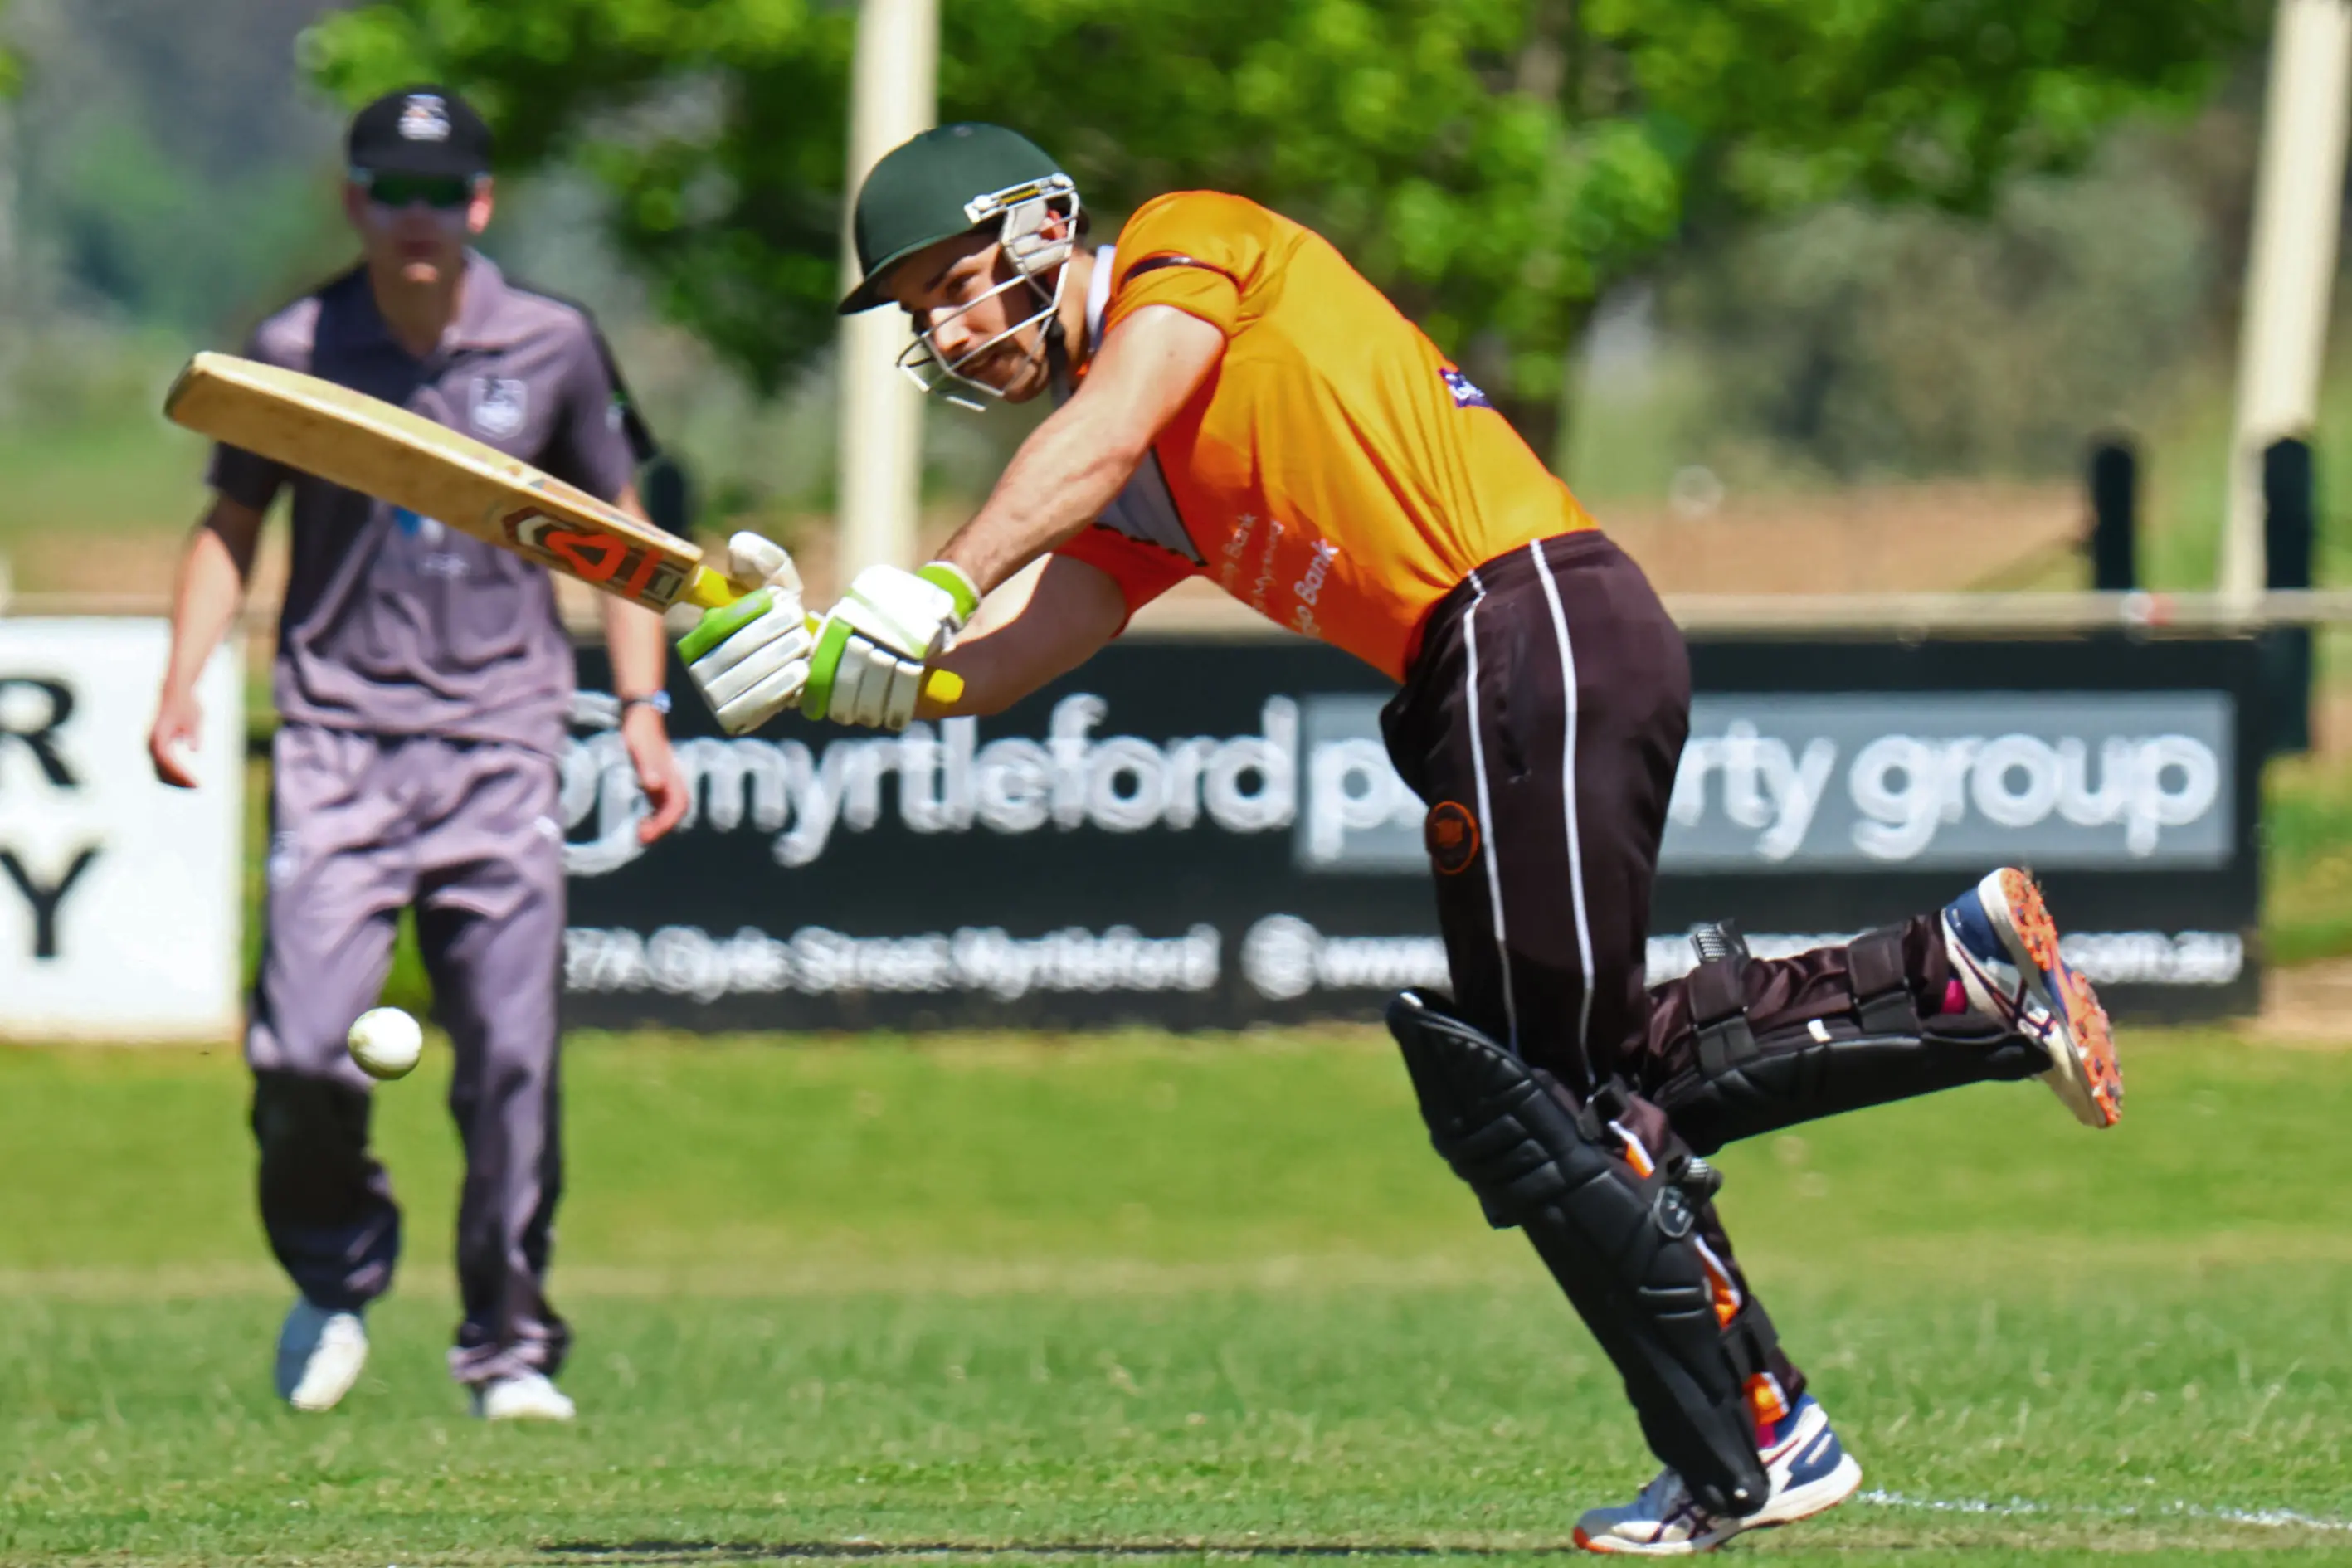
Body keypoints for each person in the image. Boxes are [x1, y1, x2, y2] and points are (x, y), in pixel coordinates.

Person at [677, 124, 2124, 1553]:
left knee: (1542, 1105)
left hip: (1524, 627)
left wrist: (932, 576)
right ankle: (1948, 984)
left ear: (1039, 229)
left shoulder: (1192, 246)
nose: (941, 326)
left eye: (948, 281)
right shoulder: (1132, 486)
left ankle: (1752, 1437)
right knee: (1566, 1088)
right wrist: (832, 674)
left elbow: (1101, 428)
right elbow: (1007, 650)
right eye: (917, 307)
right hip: (1493, 665)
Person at [147, 85, 688, 1422]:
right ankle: (335, 1273)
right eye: (393, 189)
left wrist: (641, 708)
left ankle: (508, 1346)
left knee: (509, 1060)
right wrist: (183, 681)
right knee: (297, 1052)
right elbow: (230, 524)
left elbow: (622, 534)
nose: (419, 217)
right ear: (355, 201)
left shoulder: (553, 343)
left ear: (482, 205)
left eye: (444, 193)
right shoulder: (298, 344)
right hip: (338, 740)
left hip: (500, 740)